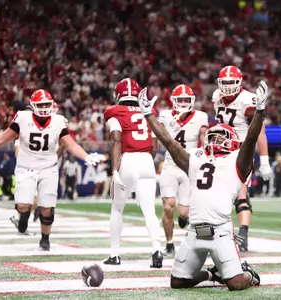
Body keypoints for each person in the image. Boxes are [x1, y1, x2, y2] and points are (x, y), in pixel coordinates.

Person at [139, 80, 268, 290]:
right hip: (193, 231)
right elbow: (171, 144)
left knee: (235, 283)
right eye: (214, 136)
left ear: (233, 143)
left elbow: (252, 138)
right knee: (177, 282)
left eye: (221, 137)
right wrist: (148, 115)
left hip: (220, 231)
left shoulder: (237, 160)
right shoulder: (196, 158)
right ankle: (211, 274)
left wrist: (260, 111)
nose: (216, 139)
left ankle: (248, 274)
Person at [0, 89, 101, 250]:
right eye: (40, 105)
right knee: (23, 205)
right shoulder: (23, 118)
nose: (43, 108)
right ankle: (23, 220)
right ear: (33, 106)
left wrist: (86, 157)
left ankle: (45, 239)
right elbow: (2, 138)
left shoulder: (58, 121)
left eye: (46, 104)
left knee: (47, 207)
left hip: (49, 168)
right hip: (26, 167)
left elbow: (70, 144)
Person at [103, 78, 163, 268]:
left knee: (117, 208)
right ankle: (156, 250)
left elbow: (116, 141)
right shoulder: (148, 112)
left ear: (118, 95)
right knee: (150, 211)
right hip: (146, 160)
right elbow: (154, 147)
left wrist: (115, 169)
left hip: (127, 160)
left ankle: (114, 254)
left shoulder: (114, 112)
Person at [211, 66, 272, 251]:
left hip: (240, 153)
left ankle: (243, 235)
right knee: (218, 196)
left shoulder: (247, 100)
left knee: (240, 195)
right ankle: (220, 232)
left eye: (231, 82)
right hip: (220, 153)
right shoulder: (216, 97)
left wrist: (265, 160)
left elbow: (259, 130)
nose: (228, 86)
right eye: (225, 82)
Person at [158, 84, 208, 256]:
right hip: (170, 166)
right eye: (181, 100)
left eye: (187, 100)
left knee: (185, 213)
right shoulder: (165, 116)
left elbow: (204, 139)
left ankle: (183, 219)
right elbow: (156, 133)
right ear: (173, 101)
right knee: (168, 206)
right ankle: (170, 243)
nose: (184, 103)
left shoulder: (200, 117)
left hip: (189, 168)